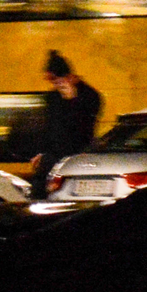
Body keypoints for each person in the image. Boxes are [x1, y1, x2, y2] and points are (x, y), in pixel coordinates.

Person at [31, 51, 104, 195]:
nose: (56, 85)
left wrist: (72, 101)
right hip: (52, 156)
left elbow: (83, 127)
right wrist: (41, 152)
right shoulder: (53, 97)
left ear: (69, 77)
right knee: (39, 191)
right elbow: (49, 126)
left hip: (77, 155)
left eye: (57, 80)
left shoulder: (90, 96)